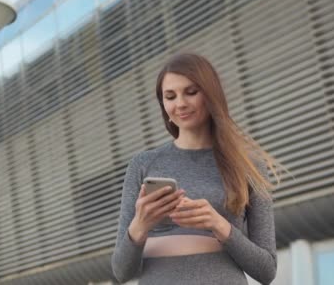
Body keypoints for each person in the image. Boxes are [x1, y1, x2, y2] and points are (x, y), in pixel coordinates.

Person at [111, 53, 281, 284]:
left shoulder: (248, 166)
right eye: (170, 96)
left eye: (191, 92)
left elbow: (267, 270)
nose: (180, 103)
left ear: (211, 95)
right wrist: (140, 226)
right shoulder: (142, 165)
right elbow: (121, 272)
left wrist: (219, 225)